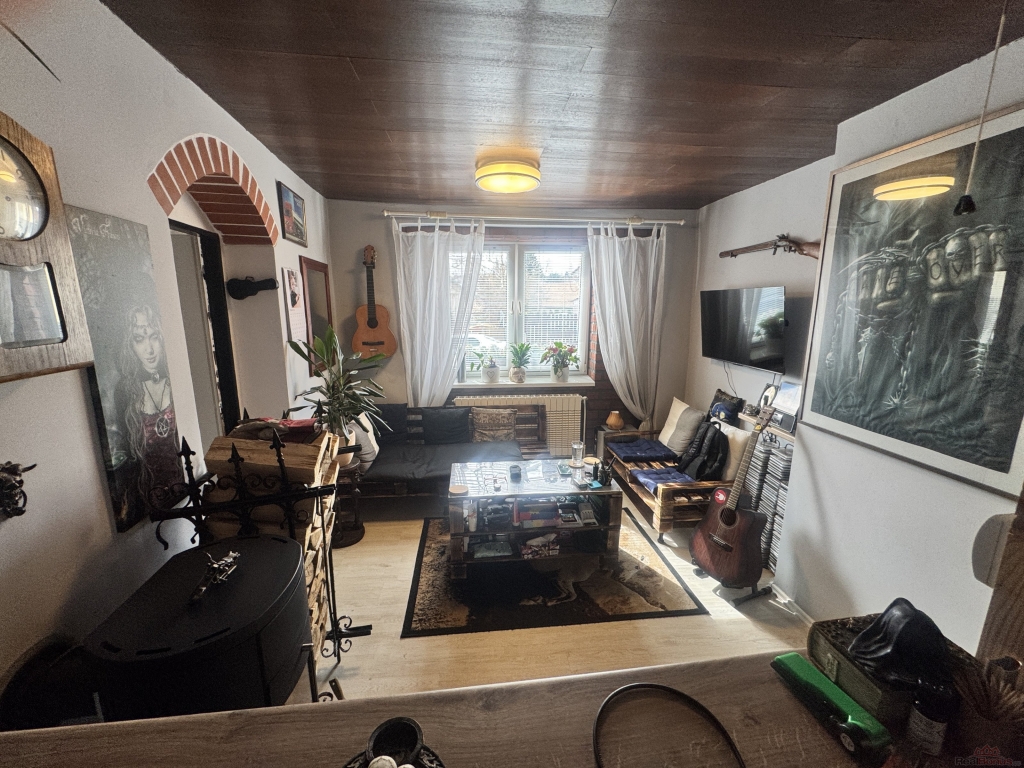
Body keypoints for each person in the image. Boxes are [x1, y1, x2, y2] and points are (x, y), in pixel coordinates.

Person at [111, 305, 183, 528]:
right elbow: (127, 452)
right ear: (130, 344)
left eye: (154, 337)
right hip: (149, 496)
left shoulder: (177, 377)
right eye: (139, 339)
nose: (149, 349)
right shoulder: (125, 391)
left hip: (187, 486)